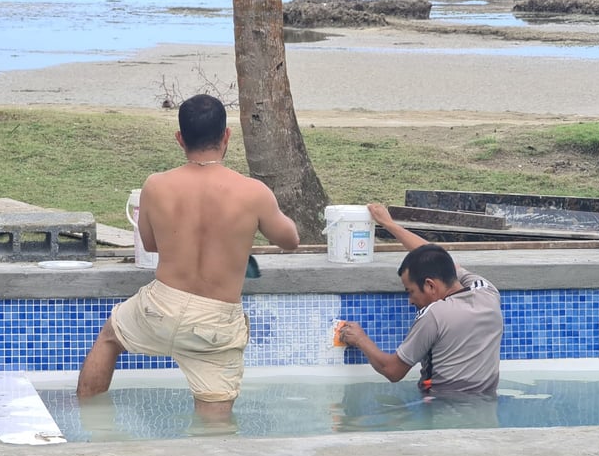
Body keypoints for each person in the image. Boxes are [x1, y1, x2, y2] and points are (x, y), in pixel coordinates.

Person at [77, 94, 300, 423]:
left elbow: (150, 245)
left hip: (160, 305)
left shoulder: (155, 186)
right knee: (214, 423)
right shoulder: (253, 192)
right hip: (215, 321)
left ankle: (86, 427)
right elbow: (291, 241)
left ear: (180, 139)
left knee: (111, 336)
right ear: (226, 136)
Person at [338, 203, 502, 395]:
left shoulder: (434, 315)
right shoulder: (487, 291)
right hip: (486, 409)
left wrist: (360, 339)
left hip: (442, 410)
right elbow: (438, 258)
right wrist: (389, 224)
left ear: (430, 285)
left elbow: (392, 371)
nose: (410, 300)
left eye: (411, 291)